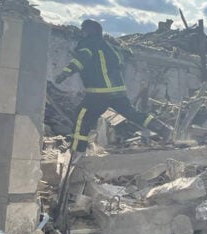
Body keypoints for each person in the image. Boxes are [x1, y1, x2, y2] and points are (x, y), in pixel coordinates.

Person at [54, 19, 172, 155]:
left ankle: (77, 151)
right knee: (133, 114)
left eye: (83, 29)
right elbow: (120, 62)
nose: (82, 32)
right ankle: (164, 129)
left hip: (98, 93)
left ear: (89, 30)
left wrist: (66, 73)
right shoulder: (110, 46)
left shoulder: (88, 44)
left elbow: (81, 59)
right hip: (118, 92)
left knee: (82, 117)